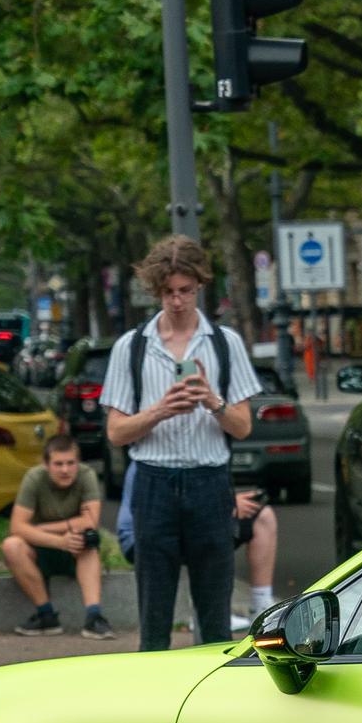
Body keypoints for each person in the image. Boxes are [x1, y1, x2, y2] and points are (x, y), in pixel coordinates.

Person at [100, 235, 261, 651]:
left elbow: (242, 427)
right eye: (168, 292)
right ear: (155, 292)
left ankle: (215, 703)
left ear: (199, 286)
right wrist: (159, 410)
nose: (177, 301)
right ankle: (153, 704)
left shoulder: (226, 344)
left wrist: (211, 400)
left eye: (185, 291)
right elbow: (116, 432)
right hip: (154, 484)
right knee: (154, 614)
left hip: (209, 484)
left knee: (215, 614)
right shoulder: (131, 348)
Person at [116, 466, 281, 628]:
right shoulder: (155, 463)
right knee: (208, 533)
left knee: (262, 516)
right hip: (145, 537)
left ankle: (261, 604)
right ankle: (204, 615)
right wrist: (228, 506)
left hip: (193, 525)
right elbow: (174, 511)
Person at [1, 435, 112, 638]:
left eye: (71, 463)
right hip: (42, 548)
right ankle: (46, 615)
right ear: (46, 464)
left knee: (87, 541)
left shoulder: (87, 475)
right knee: (11, 545)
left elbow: (90, 520)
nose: (65, 470)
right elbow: (17, 526)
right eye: (58, 464)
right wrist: (60, 541)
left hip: (75, 547)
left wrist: (47, 528)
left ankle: (94, 616)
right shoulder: (33, 478)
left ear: (78, 462)